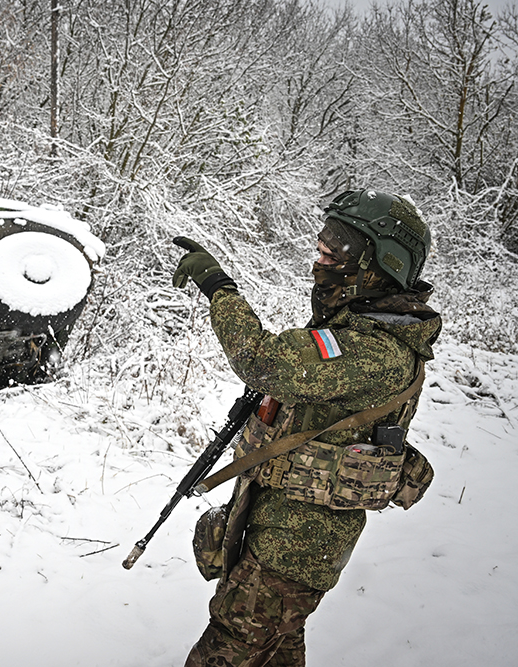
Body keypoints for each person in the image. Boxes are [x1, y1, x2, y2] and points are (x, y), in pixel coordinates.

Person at [171, 188, 442, 666]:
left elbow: (263, 361)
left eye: (336, 248)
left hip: (296, 545)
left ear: (380, 263)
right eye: (324, 242)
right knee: (278, 649)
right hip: (284, 527)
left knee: (227, 650)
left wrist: (218, 286)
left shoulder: (373, 348)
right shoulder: (361, 329)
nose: (321, 255)